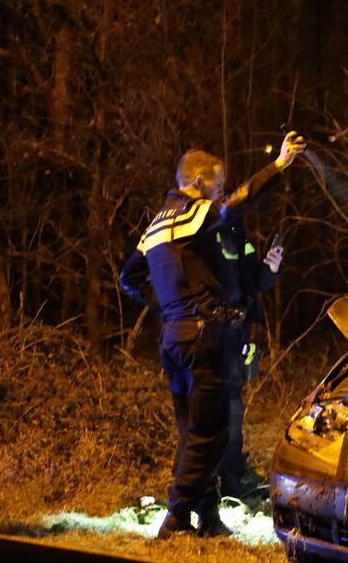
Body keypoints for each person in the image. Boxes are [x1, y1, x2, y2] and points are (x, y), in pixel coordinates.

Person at [119, 131, 306, 538]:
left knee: (194, 431)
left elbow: (129, 277)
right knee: (212, 432)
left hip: (175, 338)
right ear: (200, 183)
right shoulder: (195, 214)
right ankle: (175, 517)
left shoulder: (157, 224)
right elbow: (235, 205)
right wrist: (278, 166)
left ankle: (206, 517)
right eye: (218, 185)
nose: (221, 193)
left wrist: (170, 306)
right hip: (206, 337)